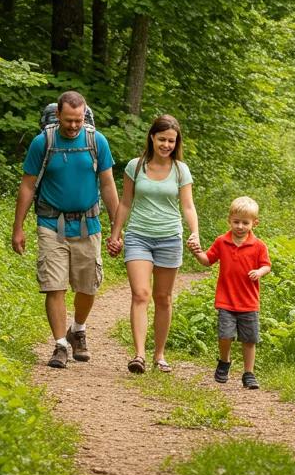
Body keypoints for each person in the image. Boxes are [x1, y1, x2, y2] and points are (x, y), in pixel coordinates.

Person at [13, 90, 119, 369]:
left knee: (88, 286)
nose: (74, 126)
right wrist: (18, 228)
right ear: (58, 115)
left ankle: (78, 329)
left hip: (88, 223)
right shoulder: (42, 143)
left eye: (79, 120)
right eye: (69, 120)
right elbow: (27, 185)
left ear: (85, 116)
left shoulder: (97, 142)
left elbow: (108, 185)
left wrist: (116, 228)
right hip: (50, 223)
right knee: (54, 285)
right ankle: (60, 344)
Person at [107, 115, 200, 375]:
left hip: (170, 238)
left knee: (163, 298)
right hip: (139, 236)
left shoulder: (181, 170)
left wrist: (195, 233)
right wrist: (116, 234)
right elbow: (125, 203)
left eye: (171, 141)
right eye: (162, 139)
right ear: (152, 137)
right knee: (140, 294)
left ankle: (159, 354)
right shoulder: (135, 167)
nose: (166, 145)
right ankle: (138, 355)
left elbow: (188, 206)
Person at [187, 196, 271, 390]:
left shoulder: (258, 246)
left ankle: (249, 373)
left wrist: (259, 272)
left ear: (254, 223)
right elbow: (207, 260)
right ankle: (224, 361)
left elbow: (266, 265)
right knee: (225, 335)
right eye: (236, 222)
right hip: (226, 299)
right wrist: (196, 252)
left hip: (249, 301)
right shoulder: (222, 242)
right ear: (229, 220)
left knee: (249, 339)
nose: (240, 226)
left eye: (245, 223)